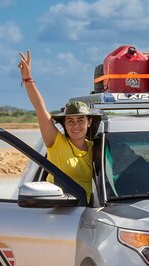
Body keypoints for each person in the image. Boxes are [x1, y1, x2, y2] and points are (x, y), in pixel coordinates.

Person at [18, 50, 101, 200]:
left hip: (92, 212)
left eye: (80, 120)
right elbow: (41, 109)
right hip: (62, 212)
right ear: (65, 124)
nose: (75, 125)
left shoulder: (97, 148)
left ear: (89, 122)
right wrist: (28, 79)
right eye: (70, 121)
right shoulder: (56, 144)